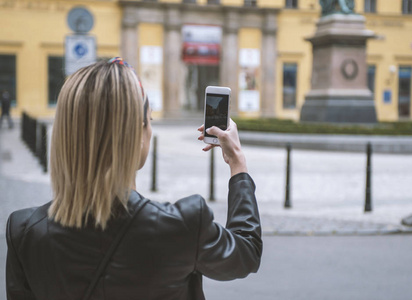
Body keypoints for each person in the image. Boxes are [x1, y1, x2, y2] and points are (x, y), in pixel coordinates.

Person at [6, 58, 262, 300]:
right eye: (148, 121)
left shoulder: (24, 232)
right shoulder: (181, 226)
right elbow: (247, 252)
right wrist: (237, 163)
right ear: (136, 134)